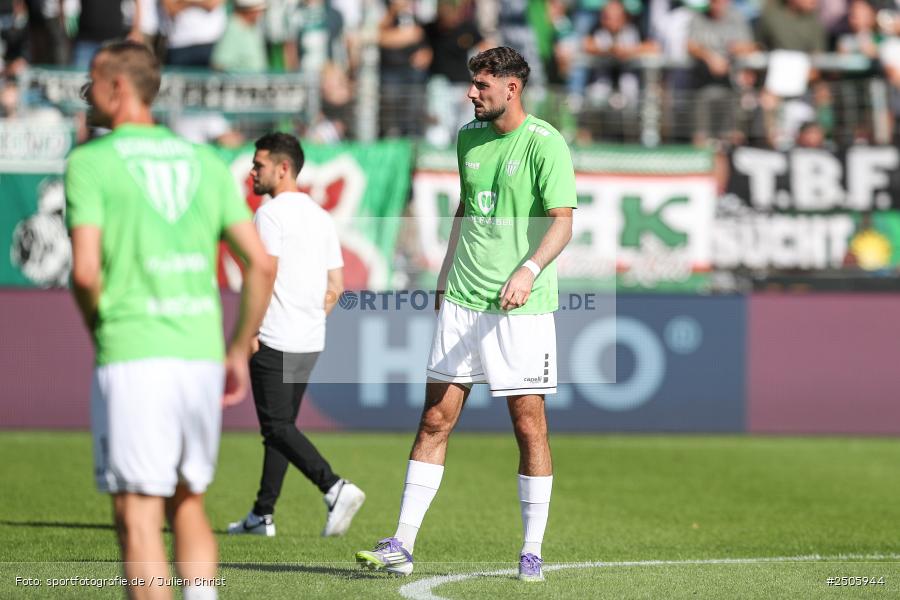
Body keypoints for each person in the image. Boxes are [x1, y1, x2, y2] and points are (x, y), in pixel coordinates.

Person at [355, 46, 576, 582]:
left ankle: (531, 550)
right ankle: (402, 544)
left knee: (528, 425)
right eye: (472, 83)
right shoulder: (467, 137)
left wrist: (528, 271)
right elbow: (465, 206)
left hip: (519, 309)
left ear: (511, 88)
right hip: (462, 299)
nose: (471, 93)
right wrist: (444, 270)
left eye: (481, 85)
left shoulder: (545, 143)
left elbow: (562, 221)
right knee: (434, 419)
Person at [66, 40, 274, 600]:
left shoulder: (91, 161)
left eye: (92, 80)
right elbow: (259, 264)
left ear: (117, 87)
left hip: (135, 352)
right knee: (188, 501)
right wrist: (237, 348)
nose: (86, 92)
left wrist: (99, 325)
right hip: (200, 355)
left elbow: (84, 272)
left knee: (137, 514)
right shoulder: (204, 162)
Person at [227, 132, 365, 538]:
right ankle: (262, 515)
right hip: (309, 339)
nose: (253, 172)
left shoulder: (269, 214)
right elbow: (336, 285)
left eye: (259, 165)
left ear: (283, 168)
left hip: (274, 336)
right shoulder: (320, 216)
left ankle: (334, 487)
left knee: (276, 428)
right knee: (280, 428)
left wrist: (250, 330)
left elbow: (262, 274)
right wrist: (310, 318)